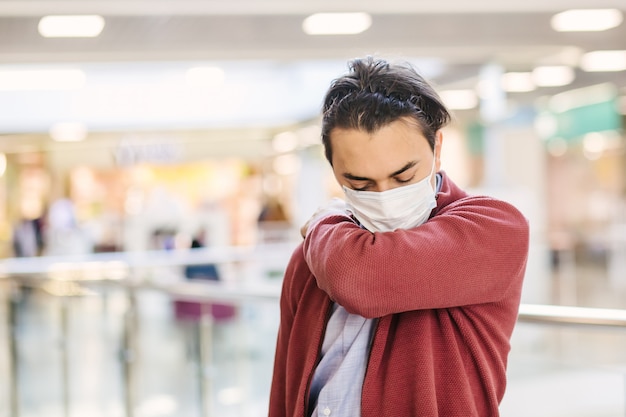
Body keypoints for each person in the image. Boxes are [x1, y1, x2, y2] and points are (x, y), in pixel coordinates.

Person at [268, 56, 529, 417]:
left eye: (403, 177)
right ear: (335, 171)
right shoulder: (312, 258)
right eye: (359, 183)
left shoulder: (494, 227)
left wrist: (320, 224)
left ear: (437, 149)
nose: (385, 195)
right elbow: (286, 383)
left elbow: (363, 279)